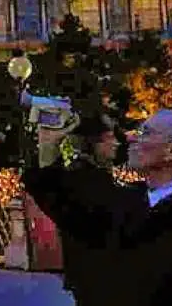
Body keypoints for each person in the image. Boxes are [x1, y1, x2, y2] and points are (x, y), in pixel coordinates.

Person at [33, 108, 172, 305]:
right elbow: (65, 207)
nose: (130, 138)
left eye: (145, 133)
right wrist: (48, 145)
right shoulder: (124, 201)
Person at [22, 113, 130, 306]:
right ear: (91, 143)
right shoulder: (85, 180)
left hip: (96, 276)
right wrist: (50, 148)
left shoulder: (91, 178)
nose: (116, 143)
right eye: (109, 137)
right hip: (98, 276)